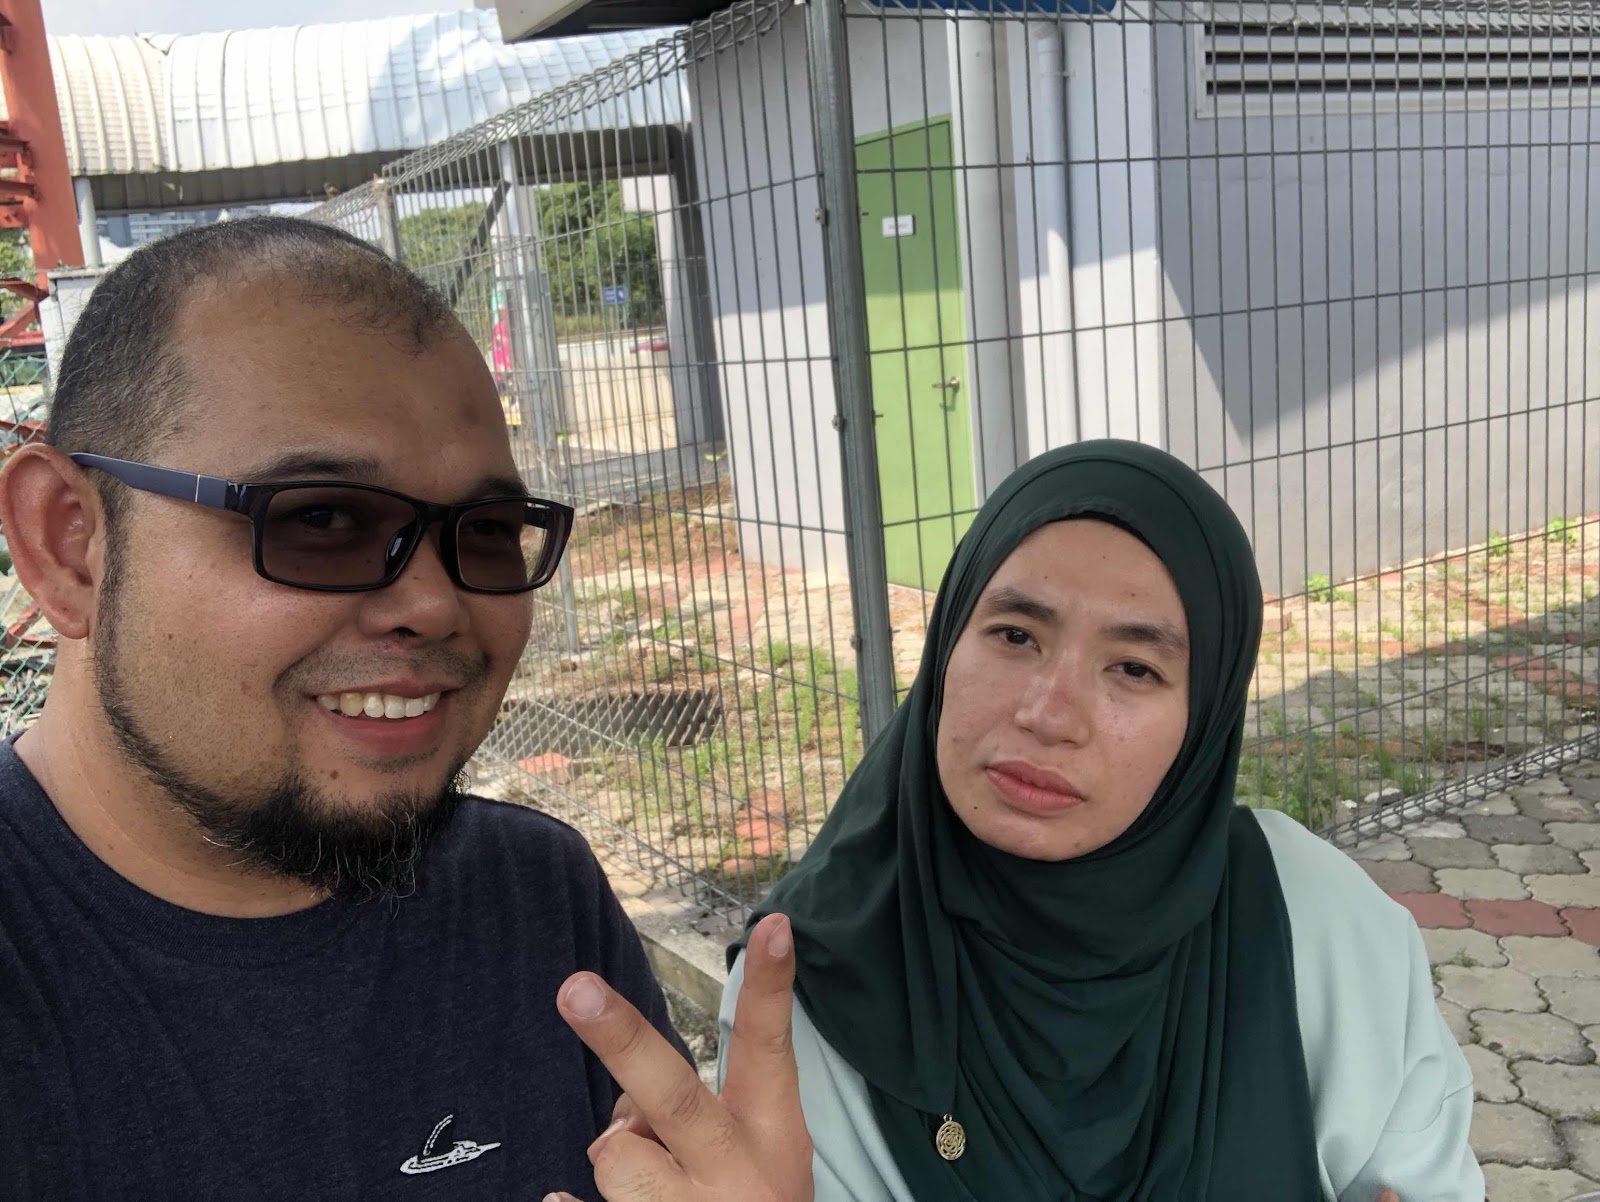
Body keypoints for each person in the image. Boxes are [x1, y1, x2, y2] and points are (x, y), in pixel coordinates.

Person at [546, 441, 1482, 1201]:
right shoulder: (810, 980)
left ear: (1204, 722)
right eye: (1014, 635)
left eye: (1135, 668)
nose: (1048, 713)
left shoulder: (1321, 927)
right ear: (947, 644)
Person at [0, 216, 687, 1200]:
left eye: (487, 530)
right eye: (320, 518)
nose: (436, 604)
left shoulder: (533, 897)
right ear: (69, 545)